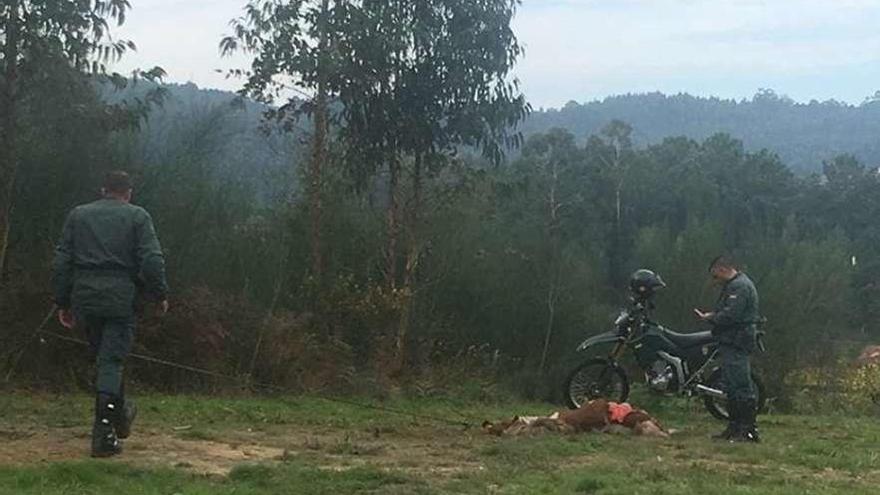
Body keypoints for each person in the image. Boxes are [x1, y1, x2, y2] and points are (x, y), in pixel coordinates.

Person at [51, 171, 169, 458]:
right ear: (128, 192)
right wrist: (159, 294)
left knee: (104, 361)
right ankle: (104, 432)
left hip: (85, 298)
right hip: (119, 298)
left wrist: (62, 301)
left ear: (103, 189)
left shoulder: (78, 215)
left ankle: (120, 417)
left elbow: (62, 261)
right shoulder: (138, 216)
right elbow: (152, 260)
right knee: (112, 361)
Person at [694, 255, 760, 443]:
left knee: (741, 385)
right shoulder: (733, 286)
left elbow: (731, 315)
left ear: (722, 269)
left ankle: (747, 429)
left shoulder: (740, 287)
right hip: (730, 339)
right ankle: (734, 427)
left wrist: (710, 318)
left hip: (737, 340)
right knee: (731, 385)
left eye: (715, 276)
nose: (715, 281)